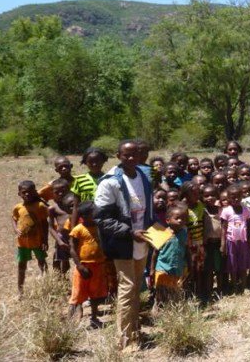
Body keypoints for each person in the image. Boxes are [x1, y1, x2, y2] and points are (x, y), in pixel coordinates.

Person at [93, 140, 153, 350]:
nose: (131, 158)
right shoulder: (110, 182)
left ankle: (134, 331)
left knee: (136, 287)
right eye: (126, 155)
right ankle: (125, 341)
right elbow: (102, 219)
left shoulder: (143, 177)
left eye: (135, 154)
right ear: (118, 156)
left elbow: (147, 210)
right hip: (123, 244)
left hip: (142, 242)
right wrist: (129, 232)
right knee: (127, 289)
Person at [68, 201, 108, 326]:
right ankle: (70, 323)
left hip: (98, 265)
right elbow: (72, 249)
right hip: (83, 266)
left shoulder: (98, 226)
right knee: (76, 294)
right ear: (85, 215)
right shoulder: (78, 229)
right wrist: (79, 266)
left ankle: (94, 317)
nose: (97, 212)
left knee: (95, 293)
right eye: (93, 211)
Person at [13, 180, 48, 295]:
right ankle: (20, 291)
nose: (27, 194)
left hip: (38, 241)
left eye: (30, 192)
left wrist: (45, 240)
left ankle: (46, 286)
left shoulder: (40, 206)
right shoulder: (18, 207)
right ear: (19, 194)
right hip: (22, 243)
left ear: (35, 192)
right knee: (21, 265)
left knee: (42, 262)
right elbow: (14, 219)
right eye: (24, 192)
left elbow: (45, 223)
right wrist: (15, 229)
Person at [152, 203, 189, 306]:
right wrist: (151, 269)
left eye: (183, 219)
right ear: (168, 220)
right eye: (177, 218)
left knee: (174, 290)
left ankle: (172, 310)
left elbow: (187, 251)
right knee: (160, 290)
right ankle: (158, 309)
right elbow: (155, 253)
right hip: (162, 267)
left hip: (177, 268)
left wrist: (189, 266)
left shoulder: (184, 233)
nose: (181, 221)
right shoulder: (162, 233)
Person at [220, 184, 250, 294]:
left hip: (243, 242)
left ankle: (243, 287)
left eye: (238, 196)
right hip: (231, 242)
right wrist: (223, 244)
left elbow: (248, 226)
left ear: (242, 197)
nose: (235, 199)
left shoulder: (246, 210)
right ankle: (234, 287)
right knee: (232, 265)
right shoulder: (226, 211)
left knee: (243, 265)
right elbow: (223, 229)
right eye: (232, 197)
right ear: (228, 198)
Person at [48, 180, 75, 275]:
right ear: (53, 193)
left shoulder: (75, 205)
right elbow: (51, 227)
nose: (60, 194)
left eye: (63, 191)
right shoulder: (53, 208)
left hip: (77, 236)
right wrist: (59, 241)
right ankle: (64, 284)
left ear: (69, 190)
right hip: (63, 238)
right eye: (57, 192)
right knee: (64, 261)